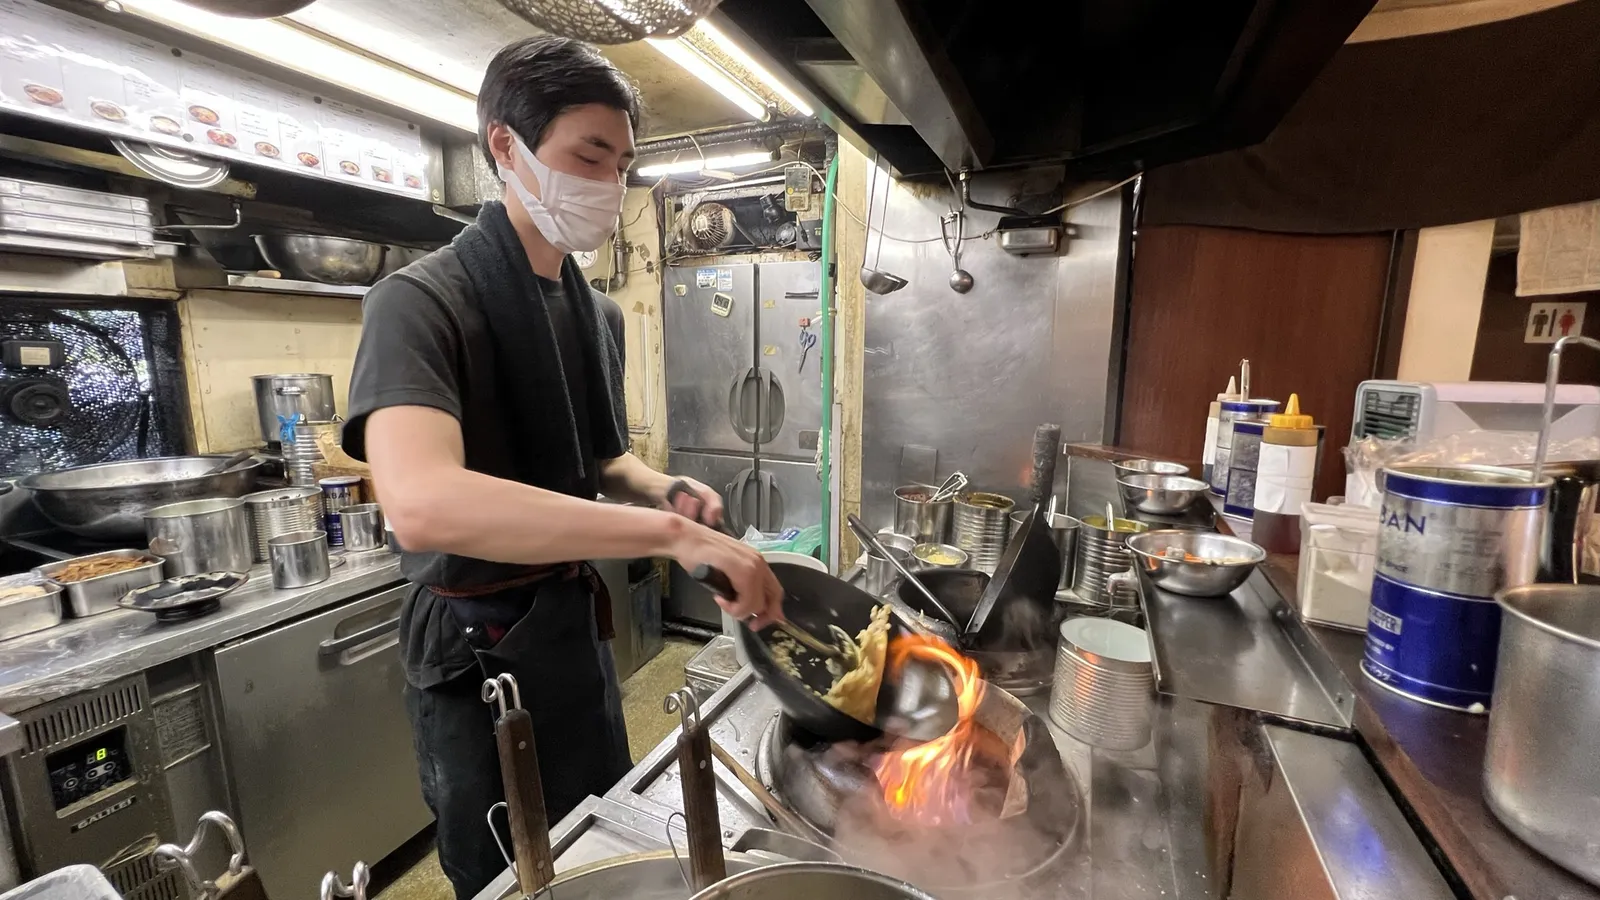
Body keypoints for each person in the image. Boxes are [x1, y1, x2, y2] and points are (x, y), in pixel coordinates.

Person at [341, 36, 784, 900]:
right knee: (505, 864)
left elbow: (602, 459)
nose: (609, 186)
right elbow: (424, 504)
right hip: (475, 651)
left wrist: (664, 491)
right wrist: (662, 531)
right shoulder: (421, 302)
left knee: (595, 836)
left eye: (622, 164)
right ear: (505, 146)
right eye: (589, 154)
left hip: (566, 631)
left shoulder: (594, 312)